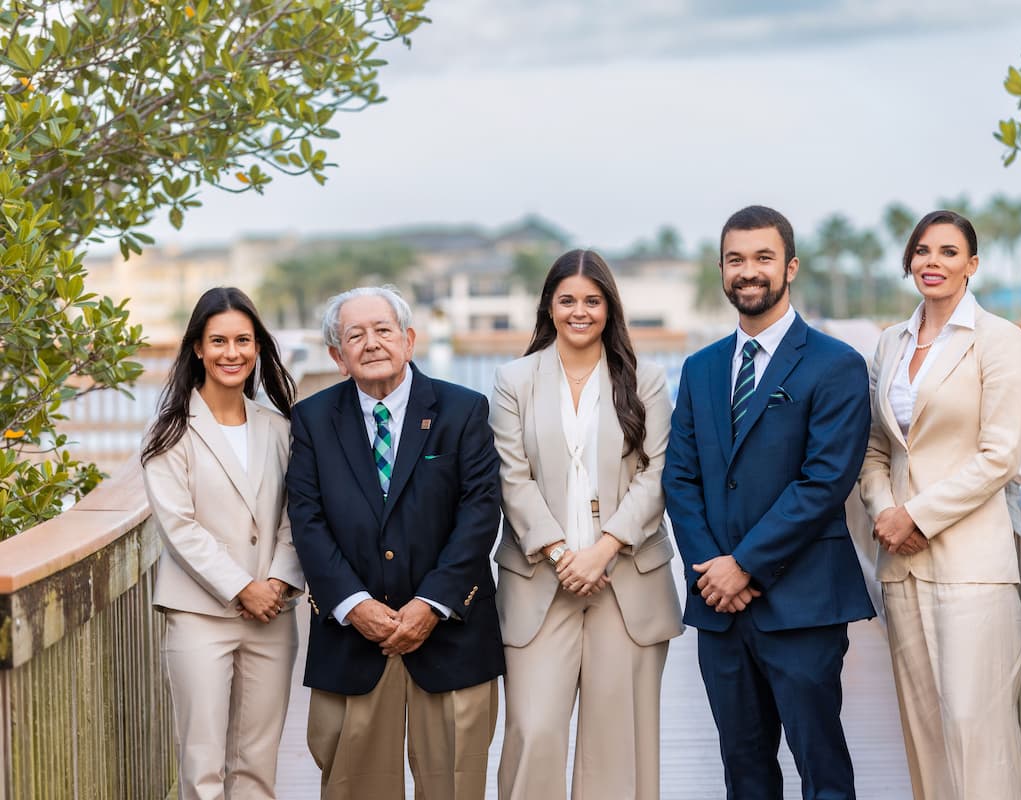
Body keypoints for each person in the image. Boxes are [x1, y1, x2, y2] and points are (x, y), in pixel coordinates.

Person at [663, 205, 875, 800]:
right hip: (720, 609)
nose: (748, 271)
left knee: (821, 769)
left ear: (790, 267)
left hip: (804, 603)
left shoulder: (836, 364)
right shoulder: (700, 368)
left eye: (763, 258)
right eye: (736, 259)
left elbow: (824, 482)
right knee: (744, 770)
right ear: (722, 269)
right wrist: (712, 570)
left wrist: (745, 565)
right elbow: (680, 480)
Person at [286, 285, 504, 800]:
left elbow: (479, 513)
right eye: (354, 335)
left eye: (383, 330)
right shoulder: (313, 420)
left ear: (408, 340)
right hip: (352, 639)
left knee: (454, 785)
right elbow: (306, 519)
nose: (372, 343)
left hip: (450, 636)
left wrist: (432, 604)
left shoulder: (463, 410)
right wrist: (353, 604)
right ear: (338, 357)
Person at [489, 249, 683, 800]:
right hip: (539, 582)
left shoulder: (645, 378)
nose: (580, 311)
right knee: (534, 730)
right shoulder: (513, 379)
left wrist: (603, 550)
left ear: (609, 308)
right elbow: (512, 476)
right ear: (549, 307)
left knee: (617, 744)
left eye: (592, 301)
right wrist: (559, 553)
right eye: (568, 300)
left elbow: (657, 472)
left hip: (627, 581)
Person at [858, 210, 1021, 800]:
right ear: (910, 262)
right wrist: (887, 512)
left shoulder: (1000, 340)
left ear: (972, 266)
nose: (933, 262)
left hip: (971, 567)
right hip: (902, 567)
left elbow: (1000, 455)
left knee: (977, 731)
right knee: (925, 736)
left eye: (949, 252)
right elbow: (876, 448)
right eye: (923, 251)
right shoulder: (890, 342)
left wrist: (918, 515)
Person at [141, 286, 303, 800]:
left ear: (257, 348)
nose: (230, 353)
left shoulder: (280, 429)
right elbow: (179, 527)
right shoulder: (168, 433)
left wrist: (276, 581)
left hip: (272, 616)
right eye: (218, 341)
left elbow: (296, 516)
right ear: (197, 348)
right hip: (199, 616)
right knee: (203, 765)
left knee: (257, 763)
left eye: (242, 340)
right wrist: (241, 588)